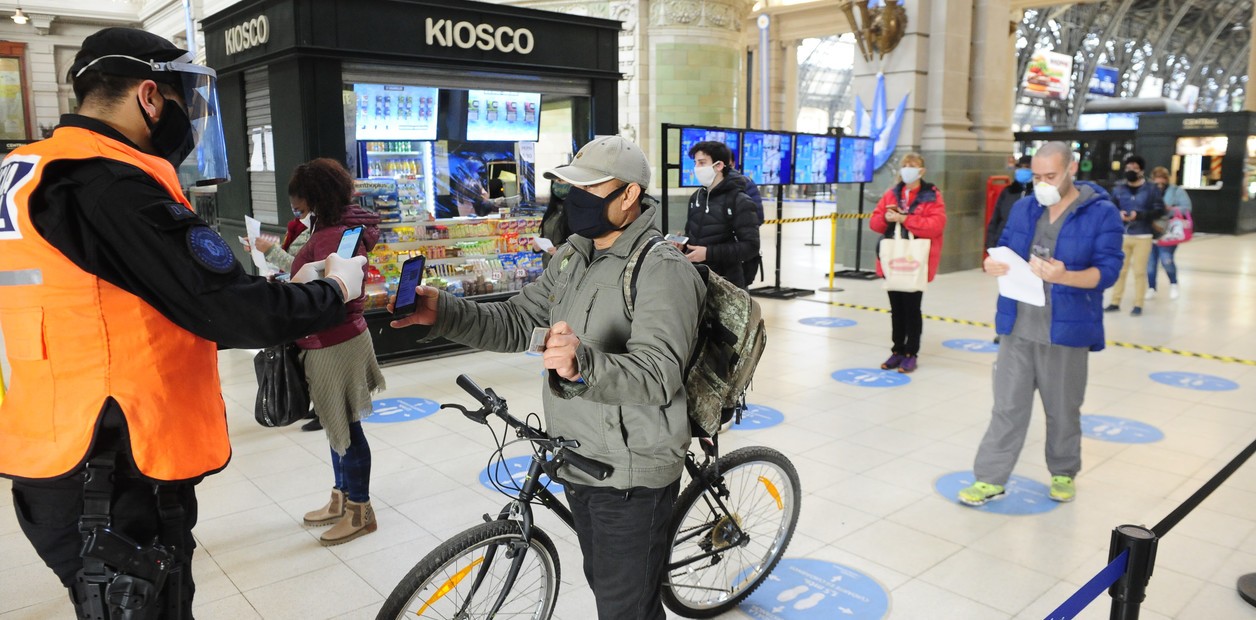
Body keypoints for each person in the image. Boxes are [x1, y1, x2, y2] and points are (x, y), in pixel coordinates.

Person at [0, 27, 365, 618]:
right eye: (183, 103)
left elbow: (139, 301)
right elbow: (228, 310)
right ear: (150, 96)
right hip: (110, 472)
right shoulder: (110, 184)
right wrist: (333, 289)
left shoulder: (31, 172)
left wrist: (282, 287)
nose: (189, 122)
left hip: (57, 451)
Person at [390, 135, 705, 620]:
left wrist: (583, 365)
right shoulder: (573, 255)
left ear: (629, 196)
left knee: (625, 608)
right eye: (569, 187)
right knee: (610, 585)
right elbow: (519, 321)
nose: (574, 199)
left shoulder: (661, 268)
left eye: (589, 189)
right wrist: (445, 313)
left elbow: (659, 373)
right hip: (578, 455)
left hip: (630, 472)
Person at [958, 141, 1124, 507]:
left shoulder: (1101, 213)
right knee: (1007, 407)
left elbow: (1108, 270)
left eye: (1050, 176)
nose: (1042, 183)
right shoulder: (1023, 208)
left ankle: (1064, 471)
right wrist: (992, 264)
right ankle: (990, 478)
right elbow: (1002, 246)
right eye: (1036, 176)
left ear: (1072, 169)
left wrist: (1067, 276)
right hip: (1018, 325)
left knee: (1063, 408)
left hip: (1066, 330)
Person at [288, 159, 386, 546]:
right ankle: (342, 498)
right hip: (337, 337)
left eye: (301, 204)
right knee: (338, 425)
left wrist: (293, 290)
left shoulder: (333, 233)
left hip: (333, 341)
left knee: (346, 427)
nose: (298, 211)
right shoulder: (336, 226)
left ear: (317, 198)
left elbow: (334, 294)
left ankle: (360, 510)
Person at [868, 152, 947, 374]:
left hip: (915, 261)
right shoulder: (892, 194)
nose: (907, 169)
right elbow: (874, 222)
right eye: (904, 166)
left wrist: (906, 219)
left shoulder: (931, 195)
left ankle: (911, 353)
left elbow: (936, 225)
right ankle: (897, 350)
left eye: (912, 166)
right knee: (896, 309)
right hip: (893, 259)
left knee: (912, 308)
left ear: (921, 171)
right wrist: (887, 218)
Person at [681, 140, 761, 289]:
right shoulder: (696, 197)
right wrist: (682, 245)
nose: (696, 168)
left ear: (719, 165)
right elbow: (693, 235)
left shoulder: (739, 201)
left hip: (727, 283)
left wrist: (709, 253)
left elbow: (751, 247)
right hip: (697, 279)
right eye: (695, 163)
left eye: (702, 163)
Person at [1105, 154, 1165, 316]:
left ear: (1141, 171)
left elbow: (1159, 210)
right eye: (1128, 168)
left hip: (1143, 235)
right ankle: (1115, 301)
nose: (1131, 171)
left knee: (1139, 271)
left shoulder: (1151, 188)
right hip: (1122, 234)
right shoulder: (1119, 188)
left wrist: (1139, 215)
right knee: (1120, 270)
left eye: (1135, 168)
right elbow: (1109, 207)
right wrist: (1119, 213)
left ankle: (1138, 304)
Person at [1146, 165, 1191, 301]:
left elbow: (1187, 208)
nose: (1159, 181)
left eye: (1162, 178)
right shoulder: (1148, 191)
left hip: (1168, 232)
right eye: (1156, 178)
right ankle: (1151, 288)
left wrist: (1169, 209)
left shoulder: (1176, 191)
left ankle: (1173, 284)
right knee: (1151, 263)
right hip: (1150, 230)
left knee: (1166, 260)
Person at [986, 155, 1033, 249]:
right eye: (1020, 167)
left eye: (1027, 167)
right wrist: (990, 245)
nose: (1023, 170)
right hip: (1002, 245)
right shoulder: (1008, 191)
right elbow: (995, 219)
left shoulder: (1036, 195)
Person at [536, 179, 572, 267]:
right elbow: (549, 235)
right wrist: (539, 245)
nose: (556, 184)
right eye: (554, 181)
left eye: (560, 180)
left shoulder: (578, 210)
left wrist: (560, 250)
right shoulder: (553, 209)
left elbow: (583, 242)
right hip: (548, 267)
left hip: (566, 268)